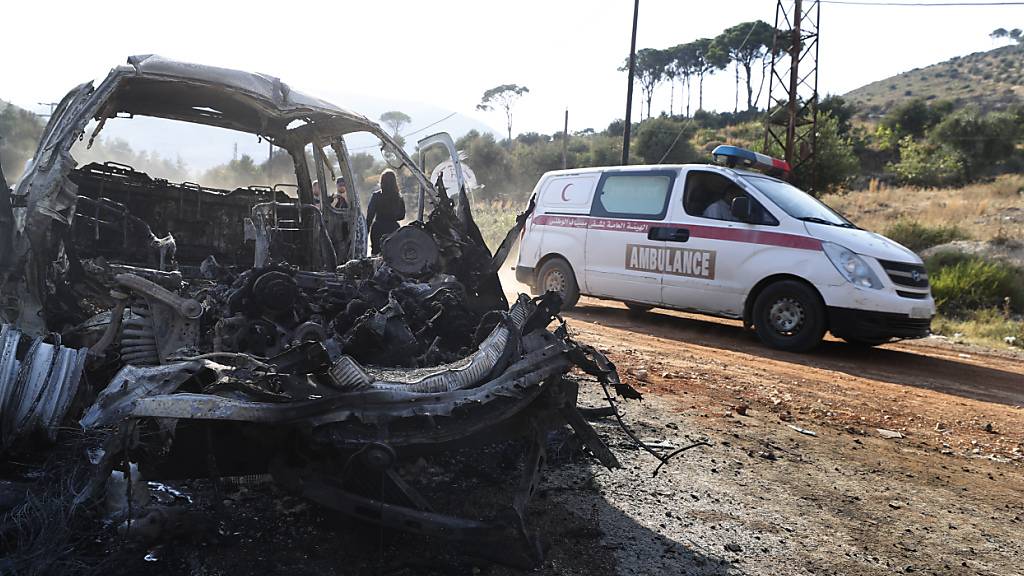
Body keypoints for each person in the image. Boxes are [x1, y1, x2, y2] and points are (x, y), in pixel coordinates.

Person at [365, 169, 406, 255]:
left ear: (381, 181)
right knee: (394, 255)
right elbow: (402, 216)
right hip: (393, 228)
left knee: (376, 255)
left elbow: (370, 215)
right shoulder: (398, 197)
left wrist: (366, 230)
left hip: (378, 228)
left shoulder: (376, 196)